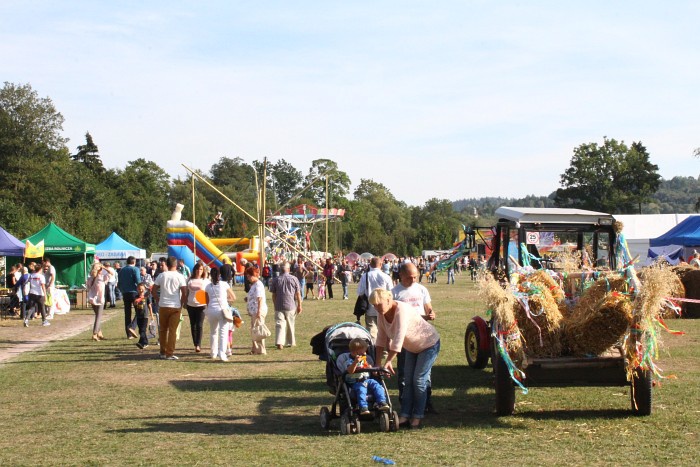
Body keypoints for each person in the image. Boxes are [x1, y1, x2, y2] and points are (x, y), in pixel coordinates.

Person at [369, 288, 440, 429]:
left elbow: (399, 338)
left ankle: (417, 416)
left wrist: (389, 361)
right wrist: (377, 364)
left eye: (379, 304)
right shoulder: (381, 314)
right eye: (374, 305)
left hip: (429, 344)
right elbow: (381, 339)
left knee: (418, 380)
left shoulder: (401, 310)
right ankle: (405, 415)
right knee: (407, 381)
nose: (376, 308)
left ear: (389, 300)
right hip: (412, 347)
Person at [392, 262, 437, 413]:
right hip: (406, 338)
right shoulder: (394, 293)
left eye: (415, 277)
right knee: (405, 373)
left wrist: (431, 313)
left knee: (425, 374)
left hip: (423, 335)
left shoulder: (421, 289)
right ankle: (406, 403)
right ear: (401, 276)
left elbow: (428, 306)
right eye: (409, 278)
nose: (413, 280)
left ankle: (426, 403)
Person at [337, 338, 389, 415]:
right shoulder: (348, 361)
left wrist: (370, 367)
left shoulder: (366, 359)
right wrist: (355, 362)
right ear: (355, 352)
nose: (365, 353)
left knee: (377, 385)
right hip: (355, 382)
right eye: (363, 352)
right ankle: (363, 407)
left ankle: (381, 402)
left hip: (367, 380)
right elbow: (350, 371)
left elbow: (371, 371)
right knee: (361, 389)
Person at [153, 256, 187, 360]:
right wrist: (181, 304)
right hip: (175, 306)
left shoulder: (161, 276)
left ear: (166, 264)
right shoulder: (180, 276)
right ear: (176, 265)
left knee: (163, 330)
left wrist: (158, 300)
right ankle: (170, 353)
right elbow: (184, 292)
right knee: (172, 331)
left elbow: (153, 290)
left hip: (163, 305)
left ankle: (162, 352)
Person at [356, 256, 393, 340]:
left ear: (370, 265)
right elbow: (390, 293)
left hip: (370, 308)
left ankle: (373, 350)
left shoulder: (365, 276)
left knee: (372, 332)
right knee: (386, 333)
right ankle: (384, 351)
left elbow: (360, 293)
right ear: (381, 264)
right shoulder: (386, 276)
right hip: (384, 309)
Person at [269, 261, 302, 350]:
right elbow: (298, 294)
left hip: (279, 305)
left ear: (280, 269)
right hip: (291, 305)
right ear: (288, 269)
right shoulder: (294, 279)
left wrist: (275, 304)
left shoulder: (276, 279)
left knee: (279, 324)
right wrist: (299, 305)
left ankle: (280, 343)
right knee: (290, 324)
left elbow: (273, 295)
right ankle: (291, 342)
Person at [205, 268, 236, 361]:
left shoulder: (207, 286)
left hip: (211, 310)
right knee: (223, 332)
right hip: (222, 310)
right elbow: (233, 297)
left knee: (213, 332)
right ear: (220, 275)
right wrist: (226, 300)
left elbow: (206, 301)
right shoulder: (224, 284)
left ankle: (213, 352)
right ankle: (222, 354)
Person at [185, 263, 208, 353]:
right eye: (198, 269)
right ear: (195, 270)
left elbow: (208, 292)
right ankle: (195, 343)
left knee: (199, 325)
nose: (199, 271)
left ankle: (198, 344)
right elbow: (186, 292)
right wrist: (184, 302)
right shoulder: (189, 280)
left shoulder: (205, 280)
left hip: (201, 305)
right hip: (191, 304)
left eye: (201, 269)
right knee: (193, 325)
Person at [245, 266, 268, 355]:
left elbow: (260, 298)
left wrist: (258, 311)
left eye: (248, 276)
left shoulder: (258, 284)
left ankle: (261, 349)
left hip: (258, 311)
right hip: (253, 311)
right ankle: (254, 349)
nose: (248, 278)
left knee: (258, 330)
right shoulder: (254, 285)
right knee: (254, 330)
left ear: (253, 275)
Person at [87, 262, 112, 341]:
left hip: (92, 299)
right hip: (100, 300)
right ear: (100, 269)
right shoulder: (101, 278)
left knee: (97, 316)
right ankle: (94, 333)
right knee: (98, 317)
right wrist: (104, 268)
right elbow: (111, 273)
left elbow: (88, 287)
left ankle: (99, 333)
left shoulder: (90, 278)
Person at [118, 256, 142, 339]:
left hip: (125, 293)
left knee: (127, 314)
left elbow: (119, 283)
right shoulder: (135, 269)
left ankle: (129, 334)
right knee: (139, 311)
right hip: (134, 292)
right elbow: (138, 281)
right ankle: (132, 327)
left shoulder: (121, 270)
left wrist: (122, 290)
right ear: (134, 262)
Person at [25, 263, 50, 327]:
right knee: (42, 307)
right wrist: (45, 294)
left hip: (32, 293)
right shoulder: (41, 276)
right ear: (40, 269)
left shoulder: (31, 275)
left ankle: (26, 319)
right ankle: (44, 321)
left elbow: (28, 283)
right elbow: (43, 286)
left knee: (31, 307)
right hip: (40, 294)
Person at [132, 284, 152, 349]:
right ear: (137, 289)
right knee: (140, 330)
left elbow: (149, 306)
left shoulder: (147, 297)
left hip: (145, 316)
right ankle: (144, 342)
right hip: (138, 316)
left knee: (143, 330)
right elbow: (135, 303)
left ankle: (142, 343)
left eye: (142, 289)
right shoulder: (136, 296)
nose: (140, 290)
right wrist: (140, 298)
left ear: (144, 289)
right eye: (139, 289)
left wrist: (151, 314)